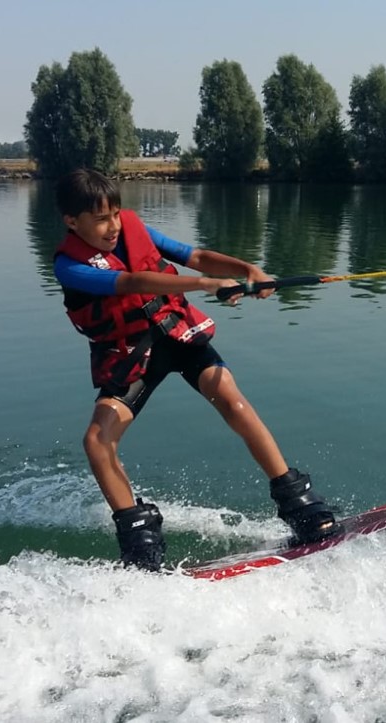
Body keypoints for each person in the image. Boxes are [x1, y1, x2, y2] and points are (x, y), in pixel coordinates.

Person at [52, 168, 339, 571]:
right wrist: (205, 285)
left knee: (231, 399)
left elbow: (197, 256)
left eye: (116, 214)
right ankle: (140, 545)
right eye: (101, 219)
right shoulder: (68, 266)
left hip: (177, 335)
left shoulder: (134, 229)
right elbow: (133, 282)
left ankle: (300, 506)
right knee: (97, 441)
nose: (113, 226)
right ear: (71, 221)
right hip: (133, 353)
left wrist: (246, 270)